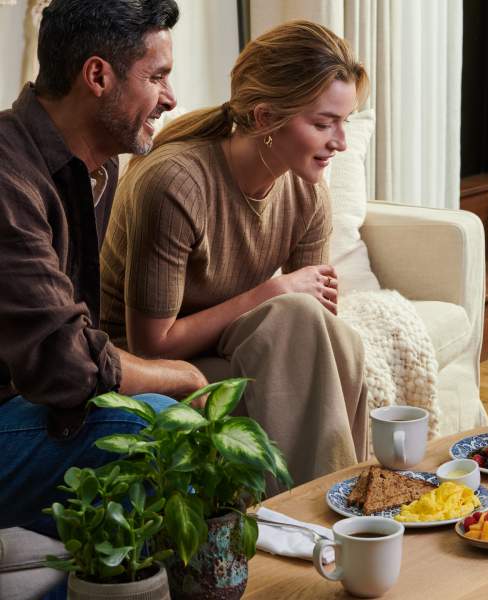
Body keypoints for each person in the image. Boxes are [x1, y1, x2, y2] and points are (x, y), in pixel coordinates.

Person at [100, 20, 370, 493]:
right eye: (324, 123)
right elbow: (150, 347)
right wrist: (273, 291)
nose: (340, 142)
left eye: (343, 122)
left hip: (221, 354)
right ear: (265, 117)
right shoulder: (177, 183)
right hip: (143, 369)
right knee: (292, 312)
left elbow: (317, 330)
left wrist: (286, 301)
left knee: (341, 344)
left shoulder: (308, 194)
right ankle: (325, 512)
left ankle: (344, 502)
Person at [0, 0, 208, 536]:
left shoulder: (96, 171)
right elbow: (69, 366)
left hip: (29, 407)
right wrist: (181, 376)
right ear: (98, 75)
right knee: (159, 425)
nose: (171, 97)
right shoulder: (7, 178)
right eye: (157, 76)